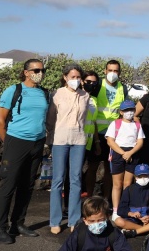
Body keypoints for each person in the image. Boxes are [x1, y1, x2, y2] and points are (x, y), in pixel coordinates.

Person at [0, 58, 50, 244]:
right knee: (9, 185)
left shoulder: (45, 93)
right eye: (36, 70)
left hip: (37, 143)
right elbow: (0, 121)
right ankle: (0, 228)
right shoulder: (14, 90)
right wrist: (9, 143)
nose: (40, 73)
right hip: (16, 142)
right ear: (26, 72)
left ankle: (17, 224)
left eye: (42, 70)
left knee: (27, 186)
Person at [46, 63, 89, 235]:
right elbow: (50, 119)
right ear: (65, 77)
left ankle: (74, 220)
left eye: (78, 77)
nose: (75, 80)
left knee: (76, 179)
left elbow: (85, 118)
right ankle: (55, 220)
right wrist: (50, 139)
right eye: (72, 77)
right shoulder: (56, 94)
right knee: (58, 180)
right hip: (60, 139)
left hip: (79, 139)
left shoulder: (85, 95)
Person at [91, 60, 130, 211]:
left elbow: (124, 109)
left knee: (110, 169)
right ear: (105, 71)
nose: (113, 73)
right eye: (110, 70)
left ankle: (107, 201)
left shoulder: (122, 88)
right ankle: (89, 200)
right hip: (96, 132)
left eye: (116, 71)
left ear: (119, 73)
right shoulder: (97, 85)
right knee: (92, 167)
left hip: (114, 136)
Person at [105, 100, 145, 217]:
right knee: (117, 184)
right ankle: (116, 210)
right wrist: (123, 153)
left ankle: (125, 208)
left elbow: (140, 142)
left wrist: (130, 153)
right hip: (118, 153)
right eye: (126, 110)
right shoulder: (115, 124)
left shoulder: (137, 125)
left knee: (128, 184)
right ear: (121, 112)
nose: (130, 112)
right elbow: (110, 141)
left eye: (132, 110)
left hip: (132, 153)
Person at [114, 164, 149, 237]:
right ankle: (145, 230)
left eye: (145, 176)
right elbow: (121, 210)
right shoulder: (129, 190)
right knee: (118, 221)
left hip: (147, 220)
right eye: (140, 176)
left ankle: (136, 231)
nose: (143, 178)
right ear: (135, 177)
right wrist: (131, 214)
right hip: (132, 220)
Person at [81, 71, 102, 198]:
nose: (91, 84)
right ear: (82, 81)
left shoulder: (94, 100)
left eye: (94, 82)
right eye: (88, 81)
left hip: (88, 142)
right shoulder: (77, 96)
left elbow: (93, 122)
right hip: (77, 140)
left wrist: (97, 142)